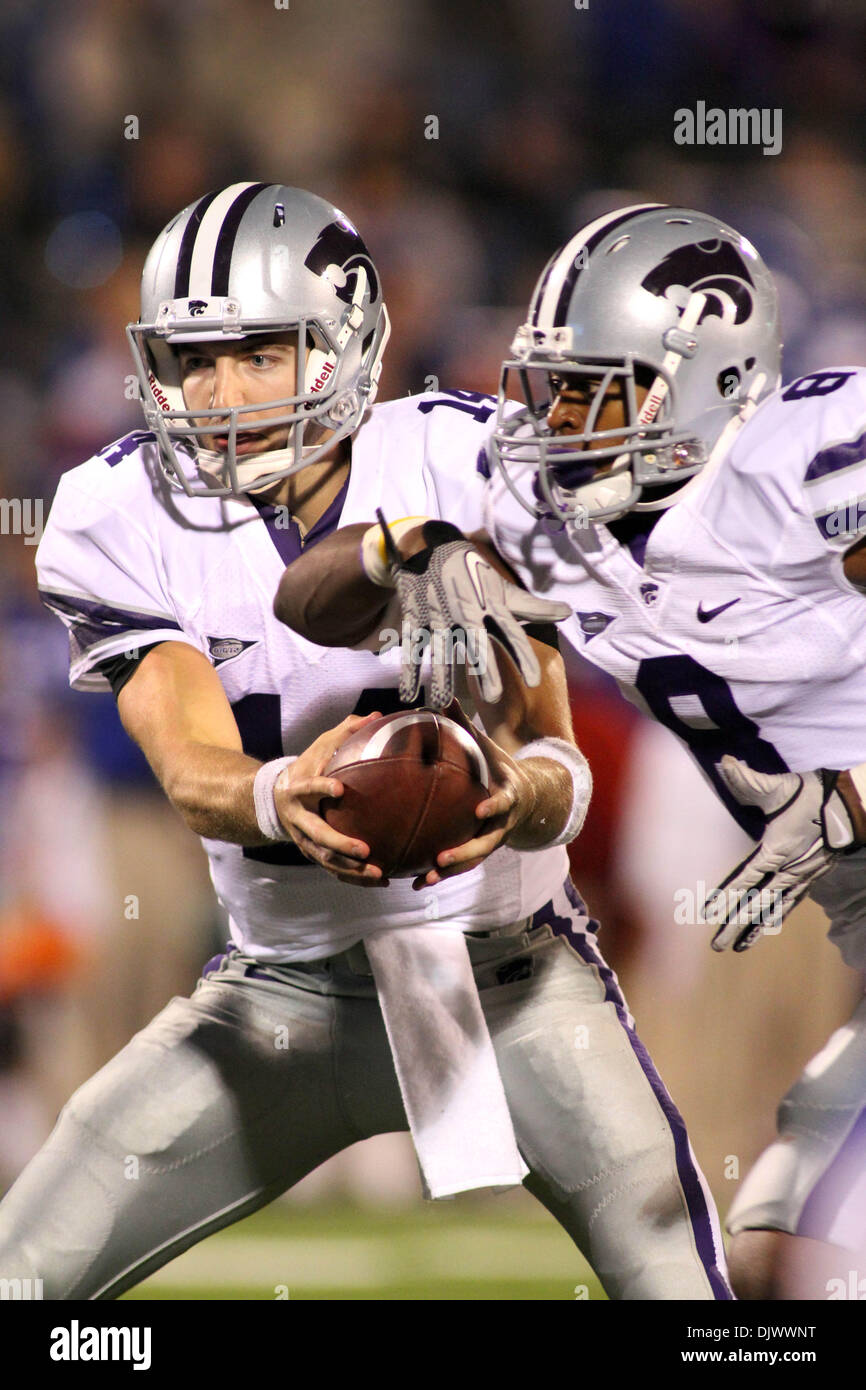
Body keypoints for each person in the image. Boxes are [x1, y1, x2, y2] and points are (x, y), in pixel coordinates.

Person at [0, 185, 730, 1300]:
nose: (219, 392)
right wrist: (285, 786)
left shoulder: (465, 458)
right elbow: (190, 760)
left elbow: (559, 758)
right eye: (192, 360)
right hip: (276, 990)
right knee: (24, 1268)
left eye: (257, 355)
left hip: (509, 978)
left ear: (346, 347)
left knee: (679, 1284)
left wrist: (516, 797)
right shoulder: (115, 511)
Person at [285, 203, 866, 1300]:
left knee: (803, 1255)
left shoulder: (810, 466)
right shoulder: (528, 486)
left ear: (715, 381)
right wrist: (401, 544)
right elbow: (307, 599)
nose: (563, 421)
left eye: (603, 387)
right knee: (785, 1260)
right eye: (556, 386)